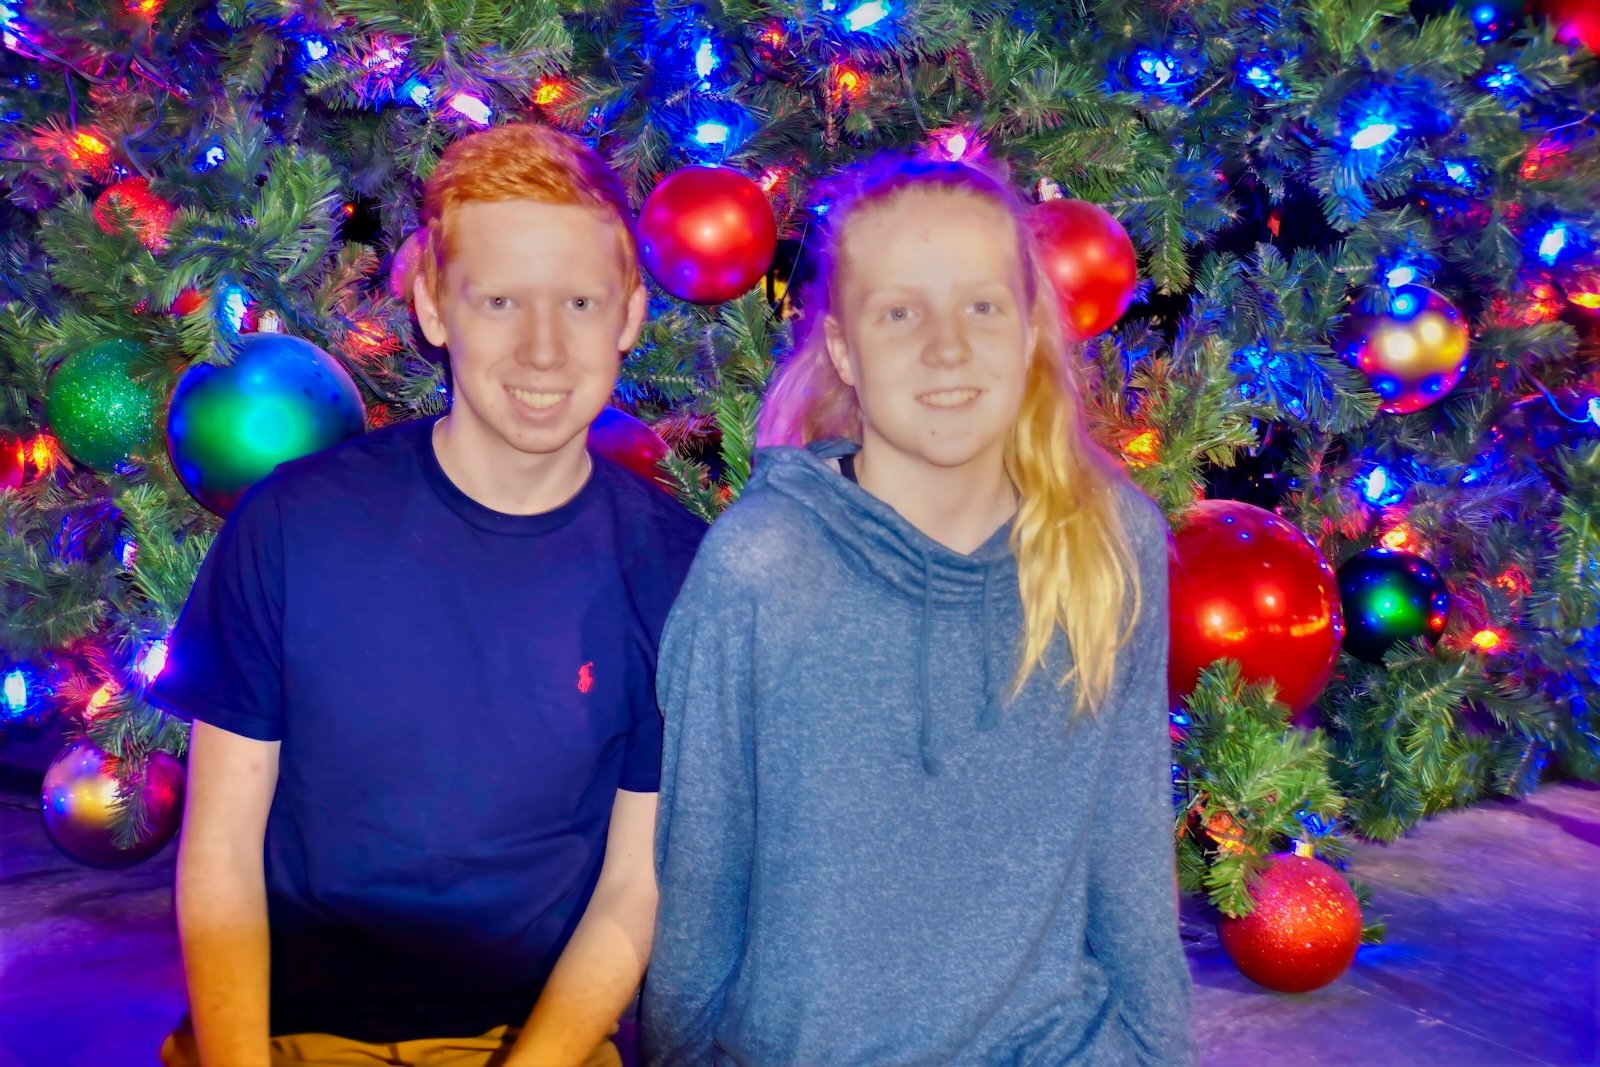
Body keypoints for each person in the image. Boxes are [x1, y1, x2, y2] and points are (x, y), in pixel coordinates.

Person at [151, 123, 705, 1067]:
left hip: (532, 1040)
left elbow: (634, 886)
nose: (542, 350)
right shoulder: (292, 526)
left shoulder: (676, 570)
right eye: (500, 300)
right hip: (290, 1033)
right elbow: (220, 852)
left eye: (579, 302)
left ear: (629, 315)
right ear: (435, 307)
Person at [642, 156, 1195, 1065]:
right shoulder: (761, 567)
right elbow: (702, 877)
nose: (947, 348)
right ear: (844, 350)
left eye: (981, 306)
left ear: (1030, 330)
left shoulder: (1109, 542)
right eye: (901, 313)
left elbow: (1129, 852)